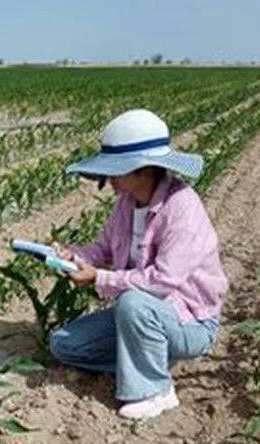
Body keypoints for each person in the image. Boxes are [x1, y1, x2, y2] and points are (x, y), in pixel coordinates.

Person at [48, 109, 229, 419]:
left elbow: (162, 282)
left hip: (189, 322)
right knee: (65, 345)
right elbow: (102, 249)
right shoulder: (127, 205)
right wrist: (73, 257)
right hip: (143, 316)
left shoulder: (181, 206)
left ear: (146, 170)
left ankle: (156, 390)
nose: (109, 180)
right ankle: (147, 360)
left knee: (132, 303)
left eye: (118, 171)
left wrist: (99, 279)